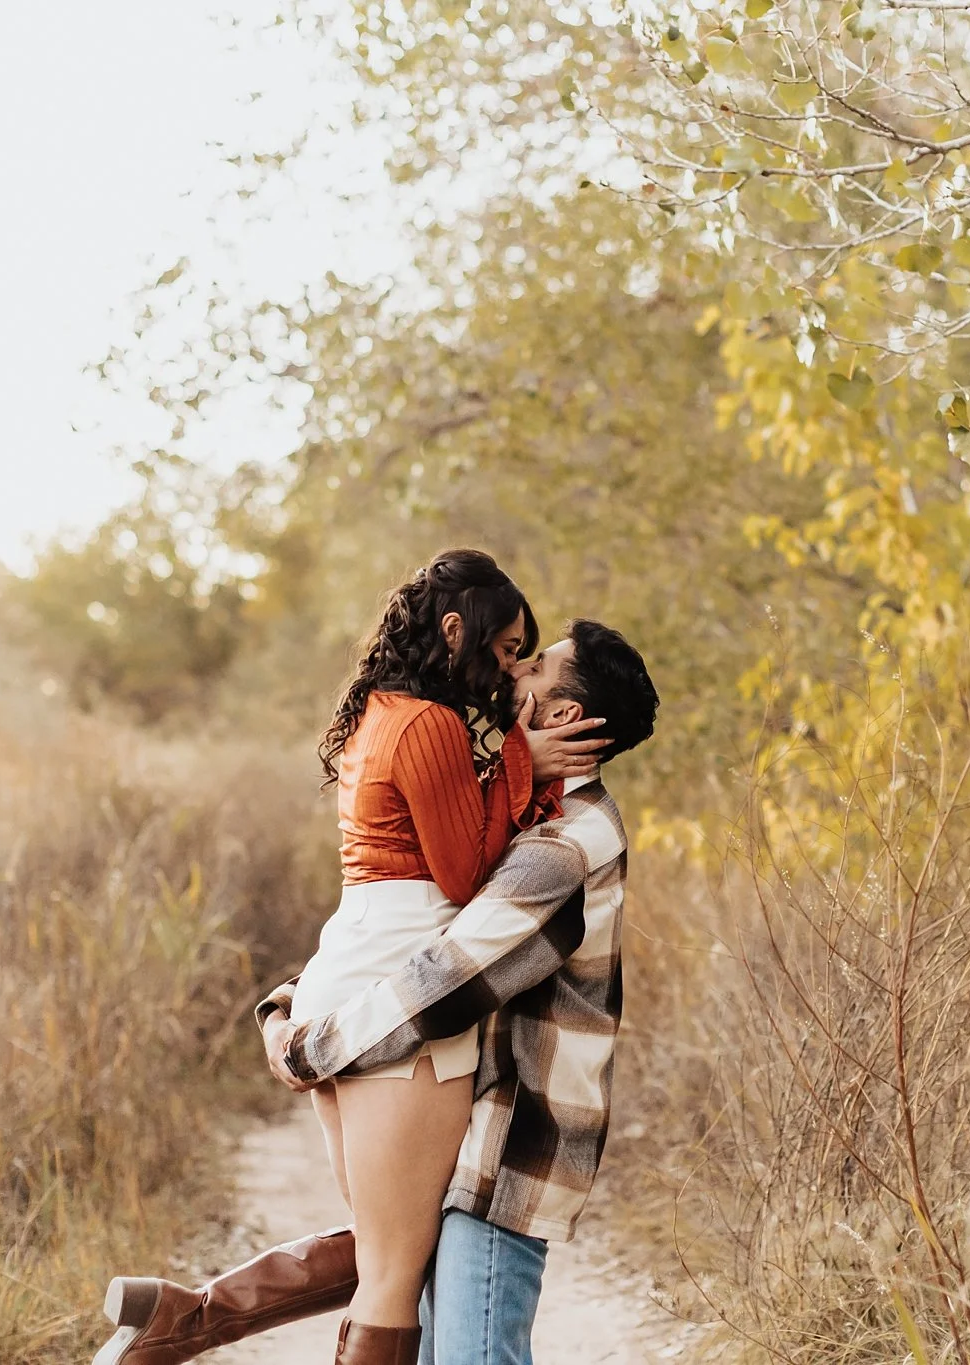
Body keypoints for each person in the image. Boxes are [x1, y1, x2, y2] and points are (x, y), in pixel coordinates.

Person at [93, 550, 608, 1365]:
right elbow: (464, 875)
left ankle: (182, 1317)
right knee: (395, 1272)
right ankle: (181, 1320)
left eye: (524, 658)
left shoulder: (385, 710)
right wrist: (524, 766)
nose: (510, 669)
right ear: (455, 631)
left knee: (385, 1241)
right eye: (508, 649)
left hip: (352, 960)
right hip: (397, 987)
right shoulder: (432, 724)